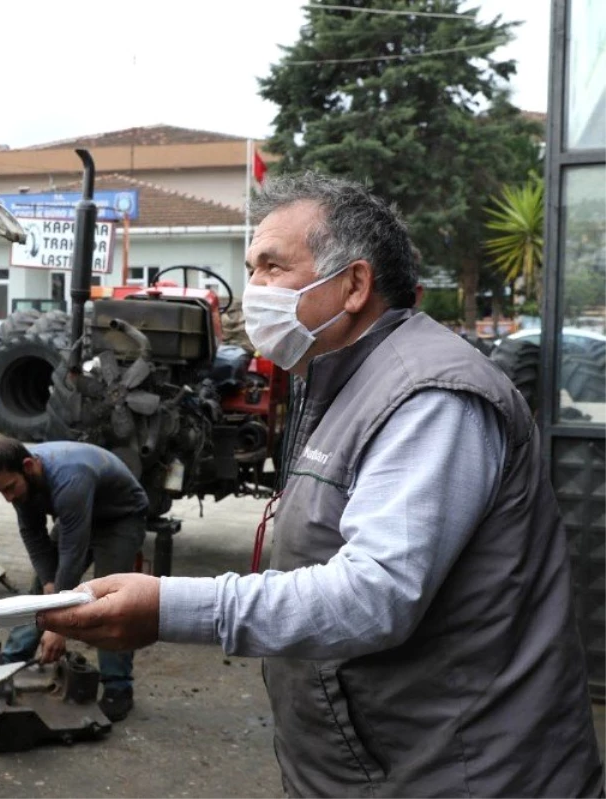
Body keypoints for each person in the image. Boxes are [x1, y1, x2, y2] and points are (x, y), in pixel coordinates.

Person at [38, 173, 604, 796]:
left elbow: (375, 593)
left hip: (462, 772)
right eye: (249, 270)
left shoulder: (429, 395)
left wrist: (168, 606)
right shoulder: (333, 376)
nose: (252, 292)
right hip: (377, 761)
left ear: (355, 284)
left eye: (272, 268)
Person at [0, 438, 148, 722]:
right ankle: (9, 664)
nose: (8, 498)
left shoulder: (70, 479)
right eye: (1, 492)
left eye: (9, 488)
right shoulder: (23, 485)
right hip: (79, 517)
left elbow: (73, 554)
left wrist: (59, 628)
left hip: (120, 519)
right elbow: (33, 535)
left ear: (28, 466)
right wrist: (47, 582)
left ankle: (119, 687)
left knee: (109, 602)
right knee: (39, 590)